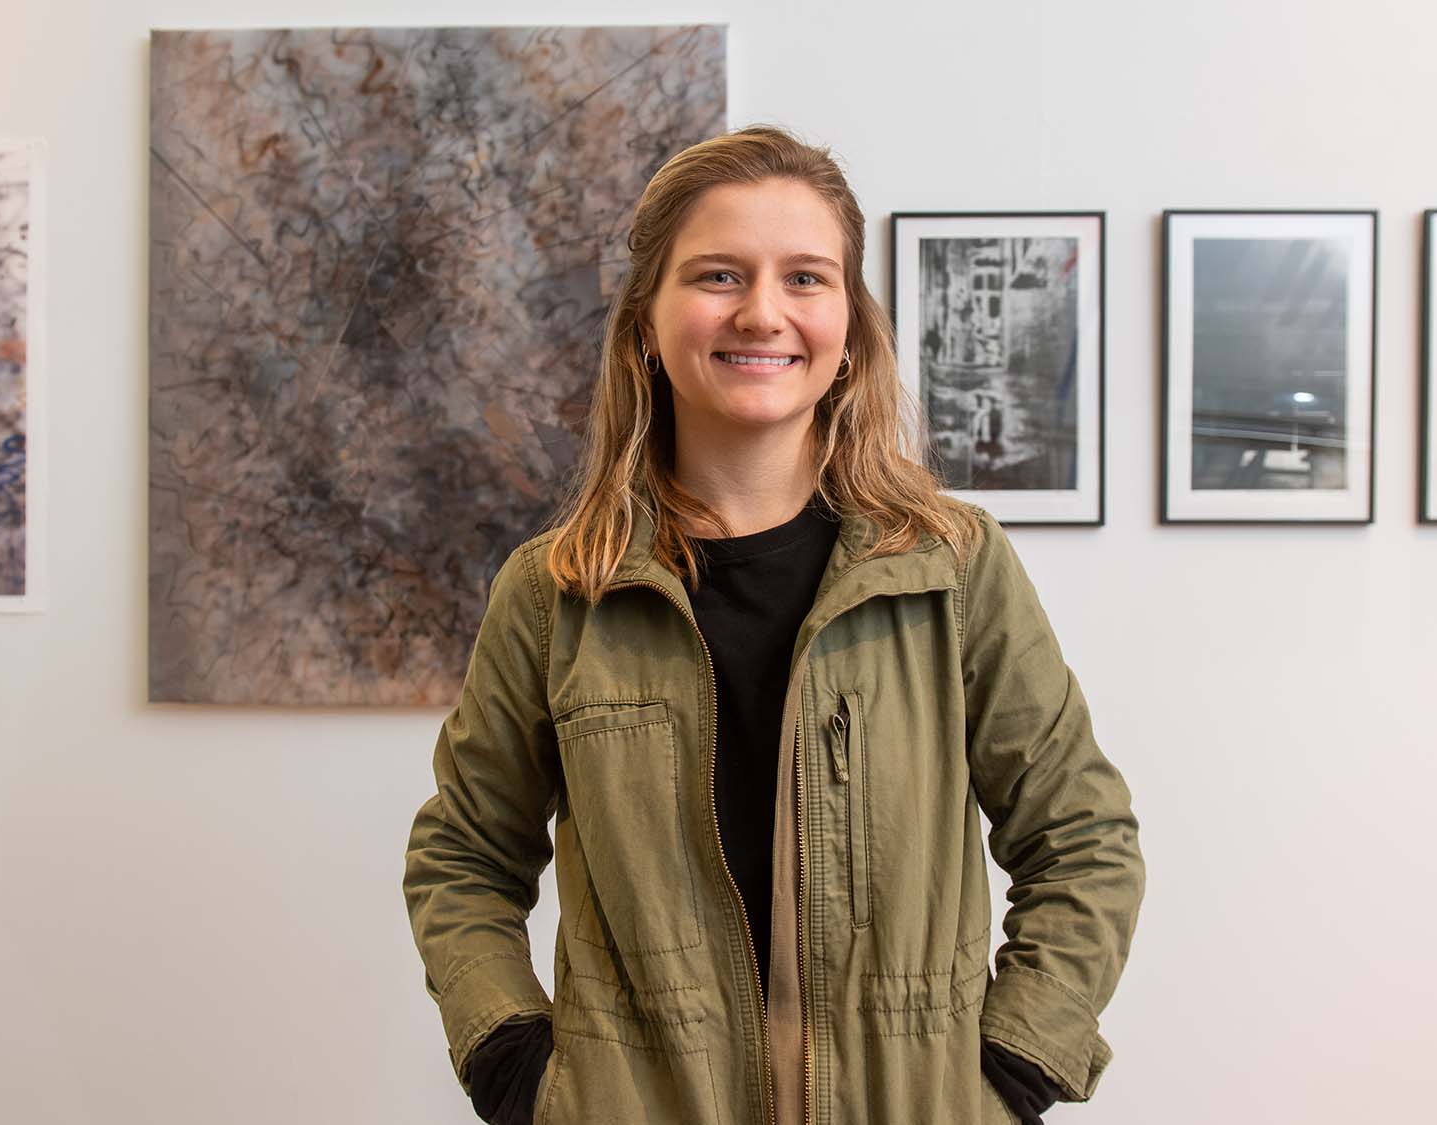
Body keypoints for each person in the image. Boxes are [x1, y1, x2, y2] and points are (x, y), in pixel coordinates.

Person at [403, 124, 1144, 1125]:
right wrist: (511, 1065)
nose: (762, 312)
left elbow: (1081, 838)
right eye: (717, 275)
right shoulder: (554, 593)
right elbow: (465, 858)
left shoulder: (952, 569)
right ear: (644, 326)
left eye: (804, 278)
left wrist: (1009, 1073)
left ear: (847, 328)